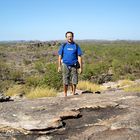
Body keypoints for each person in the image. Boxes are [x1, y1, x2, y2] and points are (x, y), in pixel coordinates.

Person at [58, 31, 83, 97]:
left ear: (73, 37)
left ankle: (73, 93)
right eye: (68, 36)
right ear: (66, 37)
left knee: (74, 80)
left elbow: (79, 56)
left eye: (71, 36)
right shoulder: (63, 46)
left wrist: (80, 67)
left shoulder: (76, 46)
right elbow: (60, 56)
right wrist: (59, 66)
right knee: (65, 80)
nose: (69, 38)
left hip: (74, 65)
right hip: (65, 64)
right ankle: (65, 94)